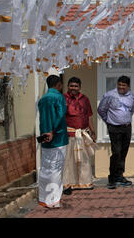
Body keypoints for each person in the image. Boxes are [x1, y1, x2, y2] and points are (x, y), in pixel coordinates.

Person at [97, 75, 134, 189]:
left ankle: (120, 175)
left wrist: (124, 119)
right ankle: (112, 178)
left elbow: (131, 110)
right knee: (116, 152)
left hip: (127, 127)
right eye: (119, 84)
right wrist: (108, 121)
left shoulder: (132, 96)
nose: (121, 87)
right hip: (114, 128)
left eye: (123, 85)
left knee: (123, 152)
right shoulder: (110, 95)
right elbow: (101, 109)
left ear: (128, 86)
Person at [37, 75, 68, 208]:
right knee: (56, 168)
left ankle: (43, 198)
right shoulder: (59, 97)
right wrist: (53, 130)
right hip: (58, 137)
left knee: (45, 168)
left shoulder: (42, 99)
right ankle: (53, 200)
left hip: (45, 137)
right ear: (58, 84)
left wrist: (46, 131)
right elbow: (60, 115)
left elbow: (43, 118)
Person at [62, 77, 97, 193]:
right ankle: (69, 183)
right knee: (69, 160)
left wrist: (92, 131)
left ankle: (84, 183)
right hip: (69, 134)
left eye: (76, 86)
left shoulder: (84, 99)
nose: (73, 88)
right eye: (71, 86)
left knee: (84, 159)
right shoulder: (64, 99)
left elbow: (89, 116)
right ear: (68, 86)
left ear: (80, 87)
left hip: (83, 134)